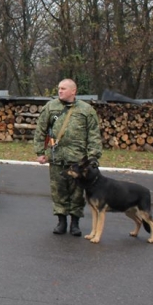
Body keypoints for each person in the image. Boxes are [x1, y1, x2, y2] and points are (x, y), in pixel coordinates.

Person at [33, 78, 102, 236]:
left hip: (78, 162)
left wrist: (92, 157)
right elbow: (40, 130)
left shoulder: (86, 110)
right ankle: (61, 221)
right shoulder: (51, 107)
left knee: (77, 193)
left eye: (64, 88)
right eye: (59, 88)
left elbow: (94, 135)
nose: (60, 91)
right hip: (57, 158)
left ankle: (75, 223)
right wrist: (40, 152)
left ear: (73, 91)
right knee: (58, 191)